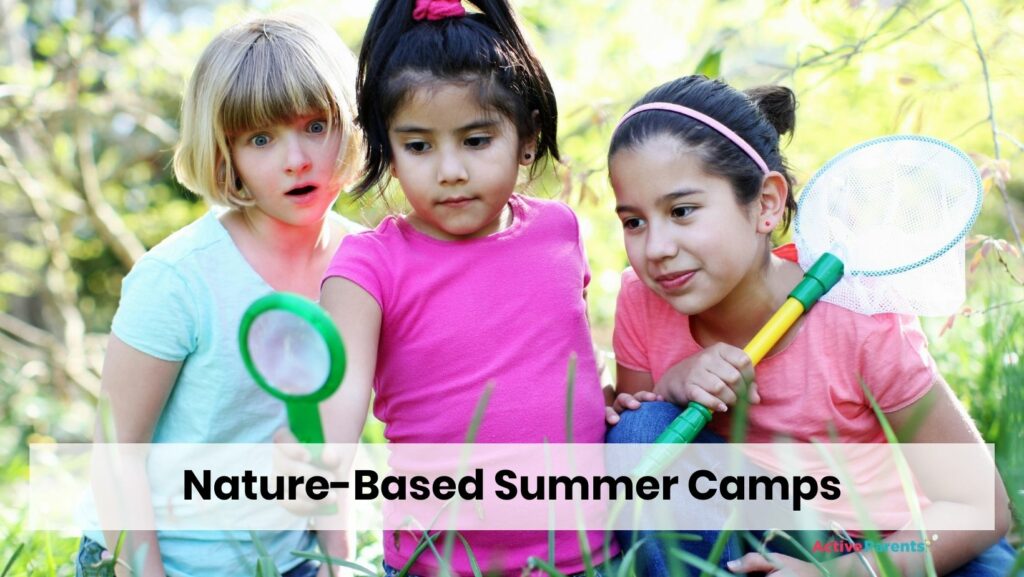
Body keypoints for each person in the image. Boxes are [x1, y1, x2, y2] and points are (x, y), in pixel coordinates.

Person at [604, 75, 1013, 576]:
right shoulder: (642, 300)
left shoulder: (858, 321)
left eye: (682, 211)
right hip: (762, 533)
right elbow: (636, 448)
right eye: (633, 222)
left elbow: (978, 507)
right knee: (640, 430)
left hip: (898, 549)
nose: (657, 248)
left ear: (767, 204)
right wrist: (672, 386)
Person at [312, 0, 615, 575]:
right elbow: (338, 405)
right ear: (390, 155)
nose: (449, 169)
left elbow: (565, 361)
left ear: (526, 138)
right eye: (419, 146)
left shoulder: (560, 230)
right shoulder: (368, 266)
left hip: (583, 559)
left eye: (476, 140)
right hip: (437, 563)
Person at [76, 12, 364, 577]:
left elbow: (327, 456)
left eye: (315, 125)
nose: (296, 159)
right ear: (224, 153)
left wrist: (339, 564)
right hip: (153, 561)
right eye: (261, 138)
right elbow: (116, 455)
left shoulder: (363, 268)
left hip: (283, 560)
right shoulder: (178, 279)